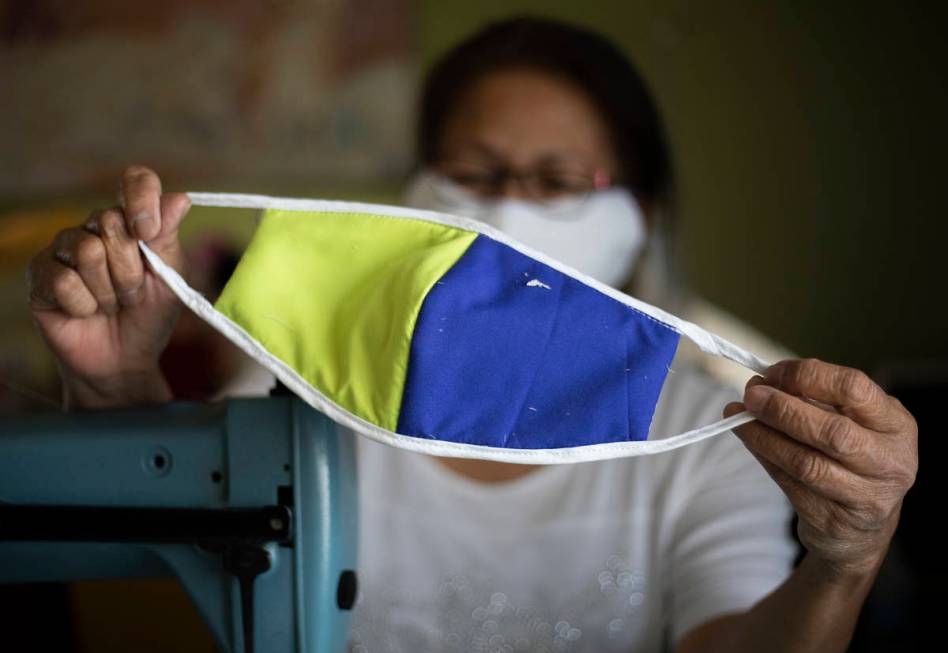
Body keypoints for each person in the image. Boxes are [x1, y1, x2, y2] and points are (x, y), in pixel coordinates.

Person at [26, 16, 917, 653]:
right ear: (418, 189)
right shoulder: (313, 391)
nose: (509, 208)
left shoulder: (710, 435)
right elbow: (164, 576)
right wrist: (117, 389)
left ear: (639, 216)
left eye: (558, 178)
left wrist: (845, 564)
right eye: (473, 172)